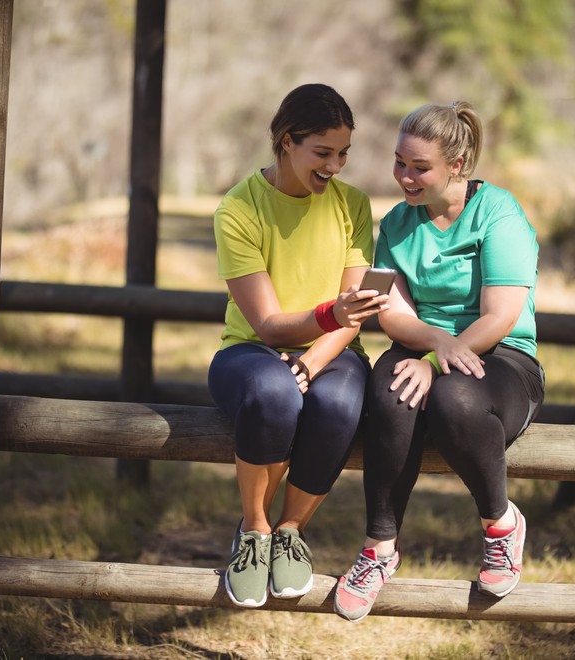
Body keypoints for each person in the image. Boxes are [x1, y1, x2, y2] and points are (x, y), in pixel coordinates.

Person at [333, 100, 545, 622]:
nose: (404, 176)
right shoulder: (397, 225)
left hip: (502, 358)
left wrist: (439, 358)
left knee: (454, 397)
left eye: (419, 167)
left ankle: (501, 525)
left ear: (457, 166)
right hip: (420, 347)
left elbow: (499, 315)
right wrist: (430, 346)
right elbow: (394, 314)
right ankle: (379, 550)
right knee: (386, 393)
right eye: (400, 162)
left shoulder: (499, 213)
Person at [208, 83, 389, 609]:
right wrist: (327, 320)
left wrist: (310, 364)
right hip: (251, 350)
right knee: (272, 393)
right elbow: (266, 324)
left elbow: (352, 317)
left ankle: (291, 530)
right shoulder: (239, 209)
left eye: (344, 154)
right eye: (324, 153)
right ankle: (255, 531)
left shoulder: (353, 205)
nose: (336, 166)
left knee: (338, 401)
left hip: (332, 350)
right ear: (287, 141)